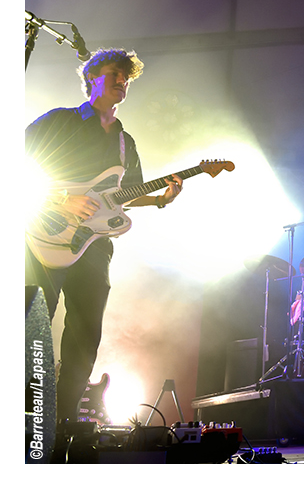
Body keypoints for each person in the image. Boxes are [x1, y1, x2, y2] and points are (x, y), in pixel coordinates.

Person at [25, 48, 184, 426]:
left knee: (85, 336)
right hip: (42, 236)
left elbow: (123, 195)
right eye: (113, 73)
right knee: (30, 332)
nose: (121, 81)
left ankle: (63, 426)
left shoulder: (125, 141)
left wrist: (160, 200)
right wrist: (63, 199)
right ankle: (22, 421)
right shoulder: (59, 122)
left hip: (94, 247)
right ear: (91, 78)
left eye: (125, 77)